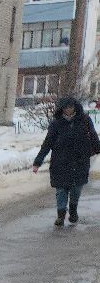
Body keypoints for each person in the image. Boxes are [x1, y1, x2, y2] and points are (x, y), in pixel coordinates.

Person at [31, 95, 100, 227]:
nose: (68, 110)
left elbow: (94, 138)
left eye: (70, 107)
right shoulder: (56, 124)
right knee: (61, 190)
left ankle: (73, 210)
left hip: (80, 161)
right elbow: (47, 144)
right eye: (65, 108)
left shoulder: (84, 120)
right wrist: (37, 162)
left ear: (75, 108)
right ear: (61, 109)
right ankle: (60, 216)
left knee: (76, 189)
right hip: (60, 162)